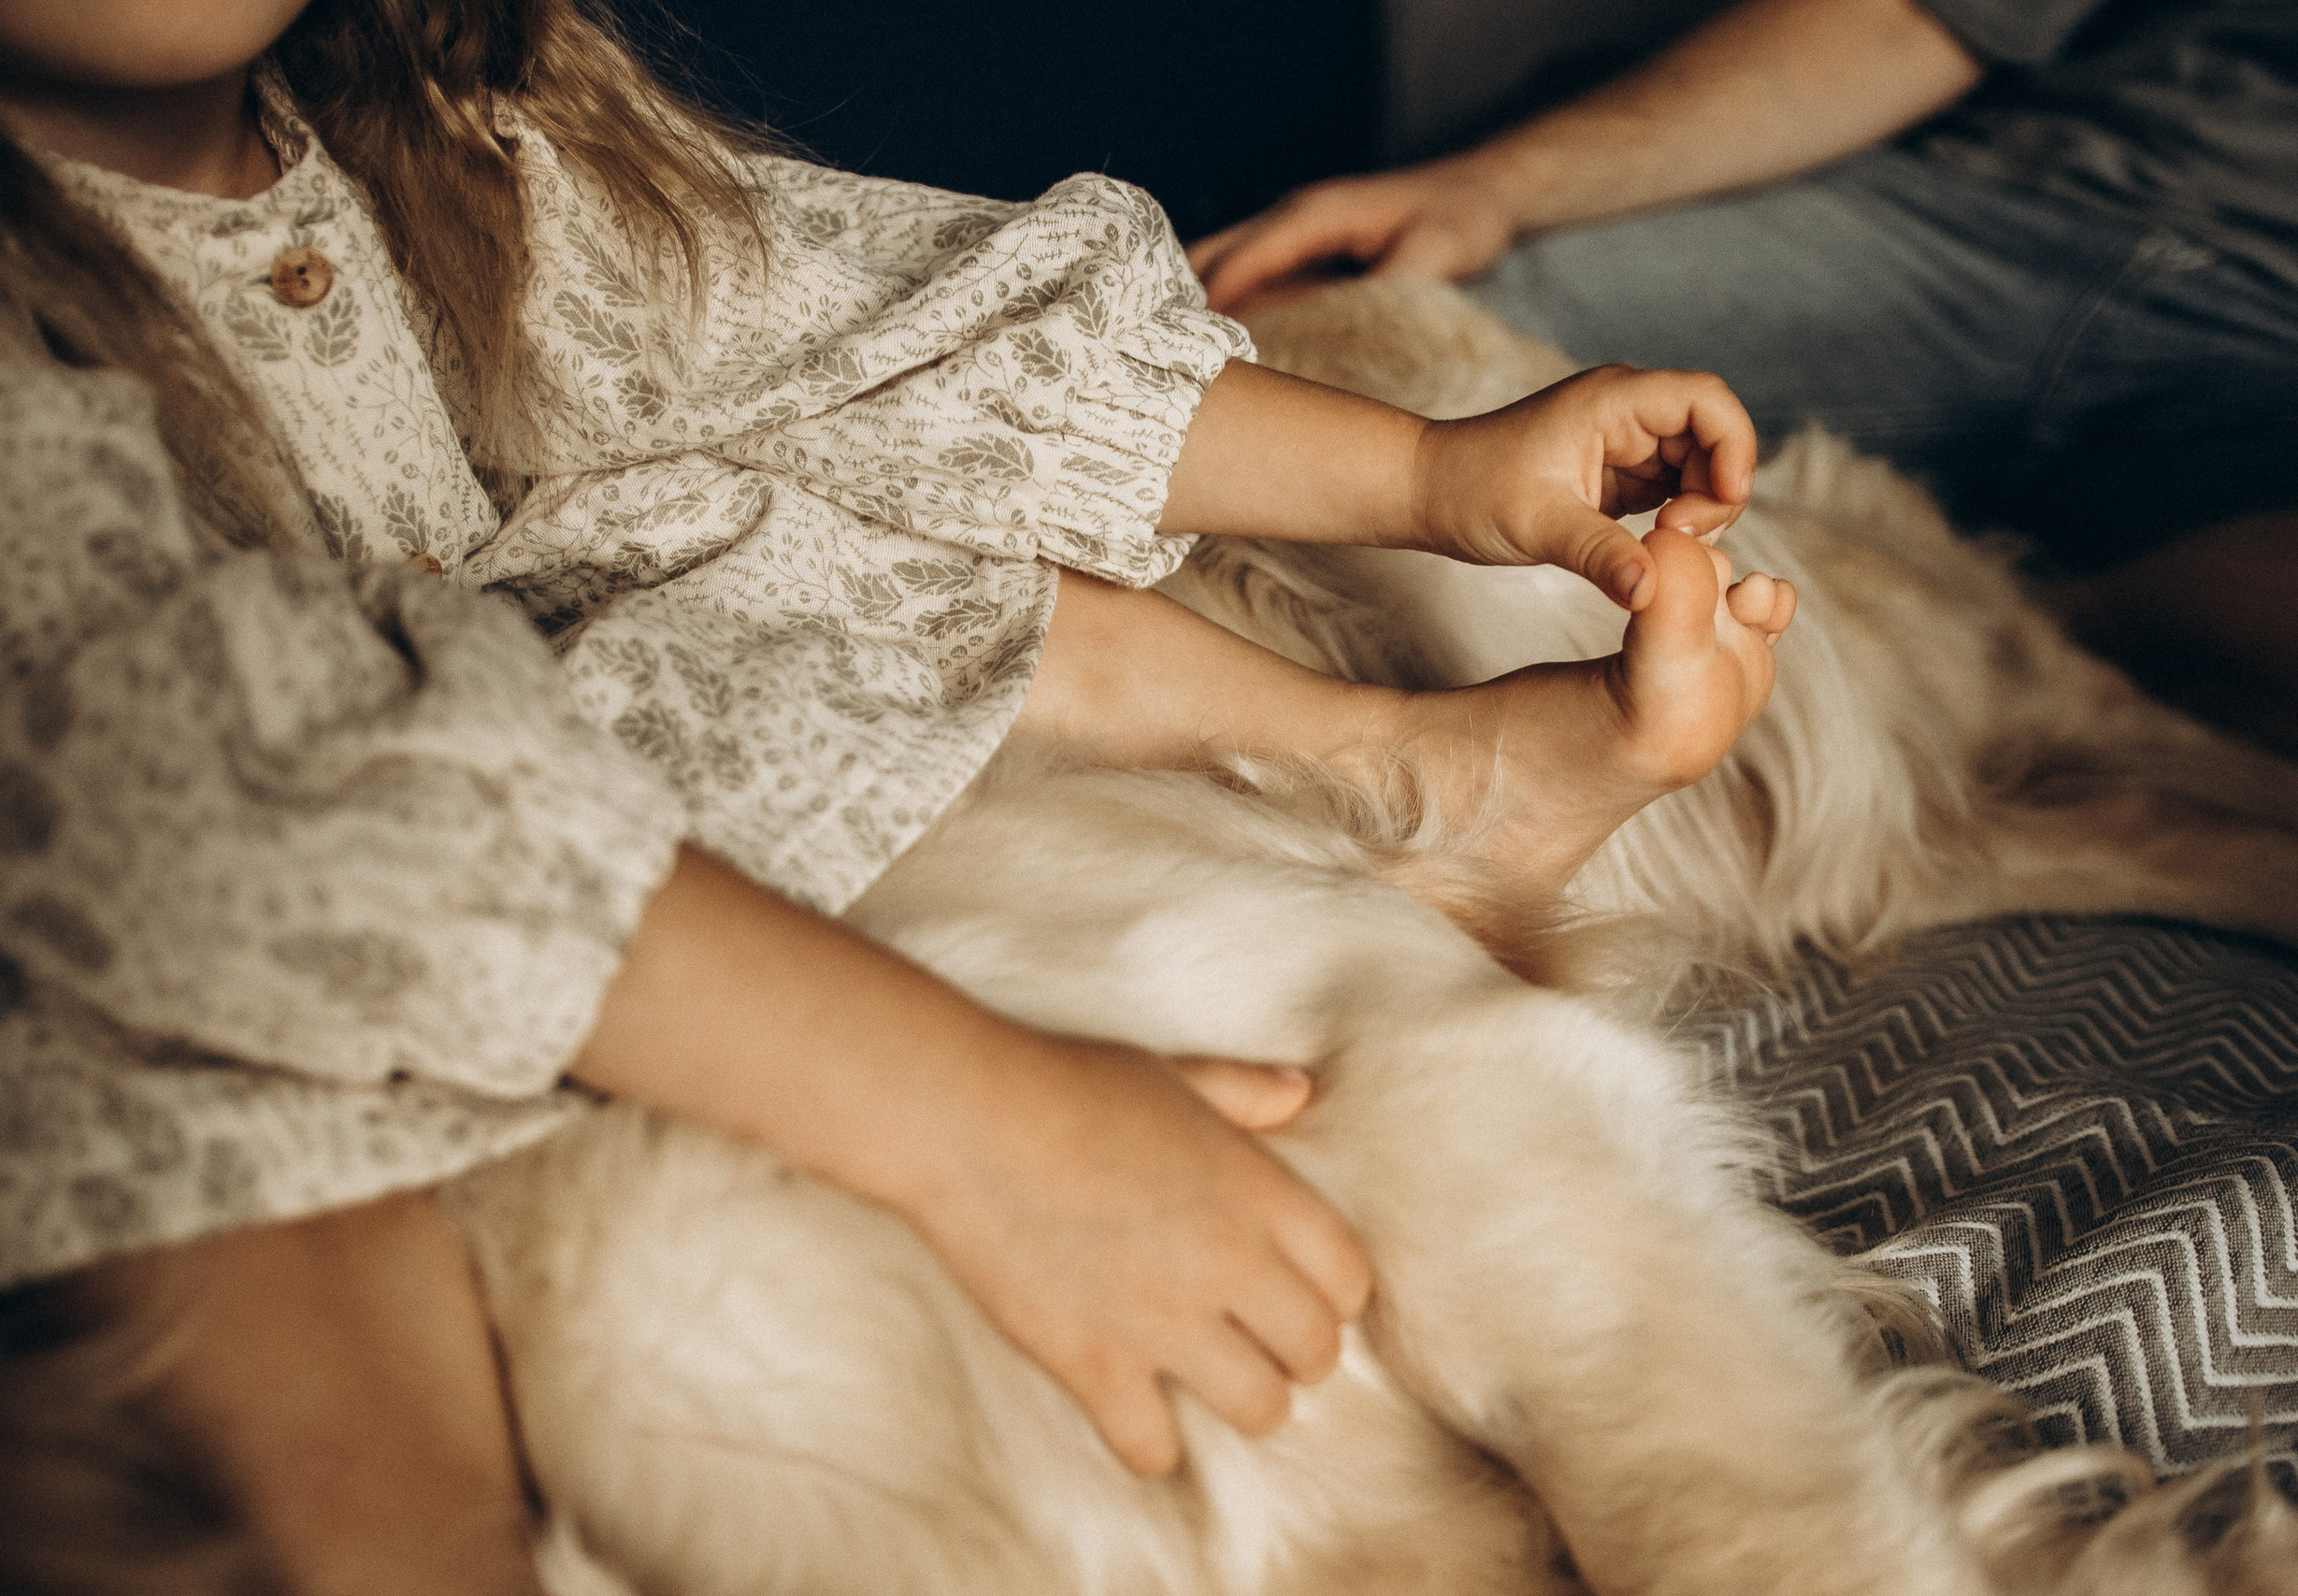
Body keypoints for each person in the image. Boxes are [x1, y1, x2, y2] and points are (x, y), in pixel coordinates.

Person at [0, 2, 1799, 1589]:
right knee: (218, 1156)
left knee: (737, 482)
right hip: (197, 1053)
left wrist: (1434, 470)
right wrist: (988, 1122)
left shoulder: (436, 137)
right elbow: (196, 782)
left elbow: (860, 331)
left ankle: (1413, 775)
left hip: (571, 810)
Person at [1191, 0, 2298, 789]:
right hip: (2011, 209)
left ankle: (2055, 647)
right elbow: (1918, 20)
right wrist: (1488, 190)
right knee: (1294, 336)